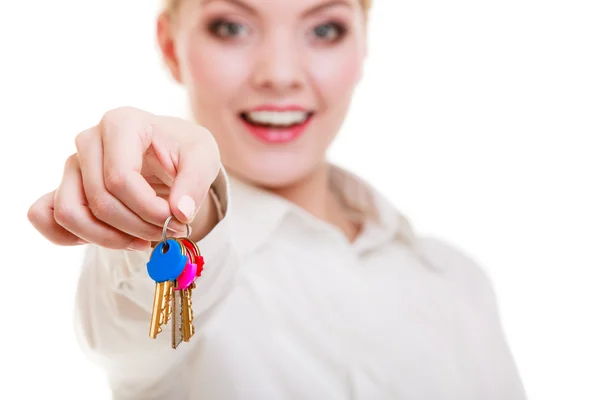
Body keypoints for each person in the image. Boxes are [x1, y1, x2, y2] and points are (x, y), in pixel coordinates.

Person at [27, 0, 527, 398]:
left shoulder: (459, 284)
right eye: (232, 27)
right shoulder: (166, 271)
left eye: (324, 29)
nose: (280, 74)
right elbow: (132, 322)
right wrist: (175, 212)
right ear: (171, 46)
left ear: (362, 46)